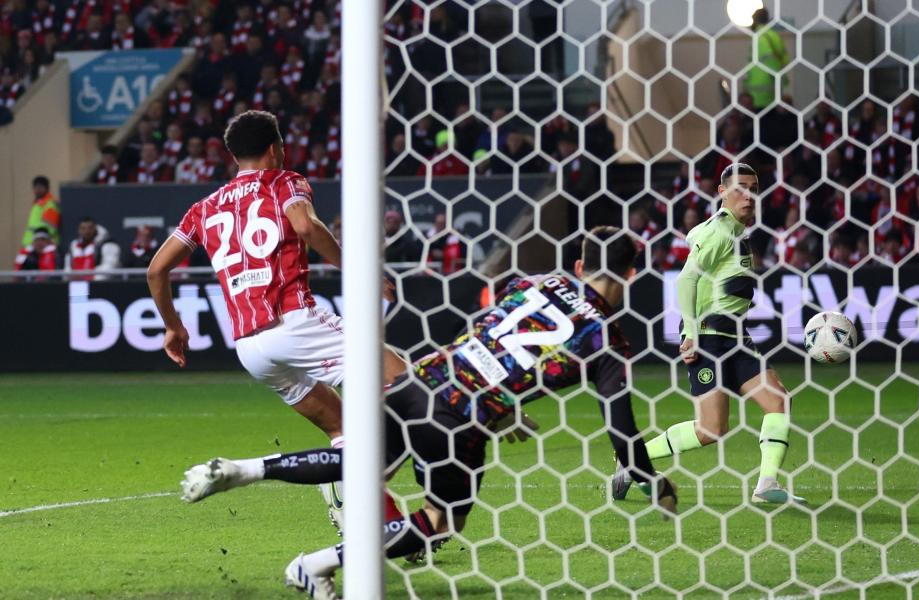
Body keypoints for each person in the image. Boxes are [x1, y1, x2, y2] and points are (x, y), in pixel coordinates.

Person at [179, 227, 677, 599]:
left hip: (423, 380)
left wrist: (504, 405)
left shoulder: (533, 284)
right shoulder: (607, 339)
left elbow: (490, 334)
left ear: (578, 262)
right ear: (634, 273)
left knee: (361, 459)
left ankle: (247, 469)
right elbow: (621, 428)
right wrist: (653, 481)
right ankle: (315, 564)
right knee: (440, 521)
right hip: (461, 419)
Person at [146, 110, 406, 526]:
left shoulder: (203, 208)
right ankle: (355, 485)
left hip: (250, 348)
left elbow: (156, 270)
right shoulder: (285, 181)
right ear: (275, 148)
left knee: (342, 430)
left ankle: (379, 520)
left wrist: (173, 325)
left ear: (233, 155)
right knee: (408, 384)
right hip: (294, 322)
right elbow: (305, 225)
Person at [613, 163, 804, 506]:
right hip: (711, 339)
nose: (748, 195)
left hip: (737, 339)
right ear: (722, 191)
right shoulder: (719, 231)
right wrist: (690, 333)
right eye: (740, 187)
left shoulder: (736, 232)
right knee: (711, 429)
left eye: (754, 188)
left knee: (778, 400)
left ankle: (767, 484)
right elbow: (686, 280)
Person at [744, 8, 789, 111]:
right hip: (774, 91)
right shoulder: (774, 36)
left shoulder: (759, 37)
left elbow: (770, 59)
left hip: (759, 95)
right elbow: (785, 59)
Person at [21, 175, 60, 248]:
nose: (38, 190)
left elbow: (50, 229)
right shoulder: (37, 204)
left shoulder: (50, 205)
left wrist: (38, 243)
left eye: (40, 187)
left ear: (47, 188)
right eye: (36, 187)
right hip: (33, 245)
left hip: (42, 246)